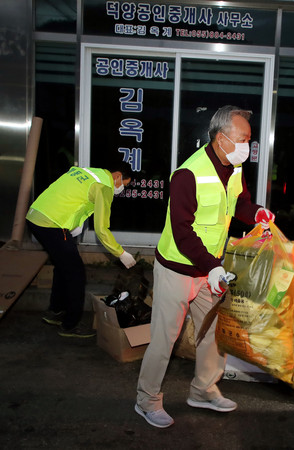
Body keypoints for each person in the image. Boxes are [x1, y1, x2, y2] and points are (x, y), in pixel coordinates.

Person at [135, 106, 275, 429]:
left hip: (209, 270)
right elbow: (182, 231)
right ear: (220, 138)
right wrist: (212, 266)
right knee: (164, 340)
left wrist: (256, 214)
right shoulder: (188, 174)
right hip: (177, 269)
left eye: (249, 140)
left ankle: (203, 389)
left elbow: (237, 203)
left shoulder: (235, 168)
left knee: (213, 333)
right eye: (243, 139)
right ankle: (147, 399)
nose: (248, 146)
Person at [26, 163, 137, 338]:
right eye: (123, 184)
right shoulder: (104, 186)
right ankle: (70, 325)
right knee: (76, 273)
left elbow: (74, 196)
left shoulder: (89, 172)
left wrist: (76, 222)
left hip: (35, 215)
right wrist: (120, 253)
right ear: (117, 176)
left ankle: (55, 311)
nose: (121, 189)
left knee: (63, 266)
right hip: (51, 224)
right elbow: (101, 229)